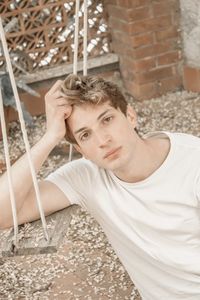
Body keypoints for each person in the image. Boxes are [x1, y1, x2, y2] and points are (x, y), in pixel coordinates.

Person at [0, 74, 200, 300]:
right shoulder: (86, 177)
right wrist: (50, 137)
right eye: (85, 135)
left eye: (106, 119)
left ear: (130, 116)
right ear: (81, 151)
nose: (102, 140)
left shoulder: (193, 164)